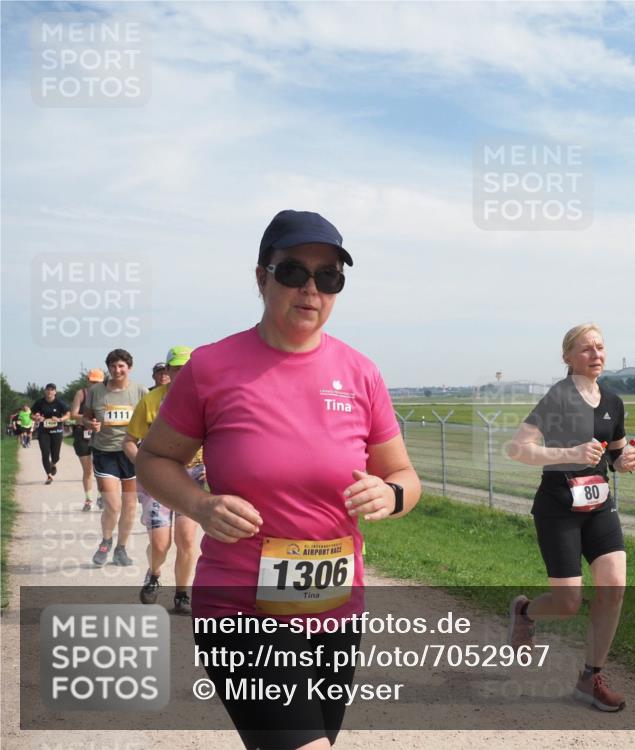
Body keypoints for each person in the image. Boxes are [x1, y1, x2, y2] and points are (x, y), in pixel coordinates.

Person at [136, 209, 421, 750]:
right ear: (261, 277)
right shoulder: (212, 368)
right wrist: (199, 506)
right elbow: (153, 460)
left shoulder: (361, 373)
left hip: (336, 612)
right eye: (293, 271)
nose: (311, 289)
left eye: (329, 277)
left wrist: (391, 493)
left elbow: (405, 476)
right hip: (241, 611)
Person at [505, 323, 635, 712]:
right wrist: (568, 454)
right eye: (586, 349)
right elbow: (518, 448)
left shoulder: (613, 401)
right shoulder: (558, 398)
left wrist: (627, 460)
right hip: (558, 509)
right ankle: (524, 612)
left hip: (599, 506)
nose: (596, 354)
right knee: (568, 603)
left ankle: (590, 678)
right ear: (567, 357)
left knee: (614, 586)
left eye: (600, 347)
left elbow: (614, 455)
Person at [124, 346, 202, 614]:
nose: (182, 373)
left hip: (192, 476)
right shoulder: (151, 401)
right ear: (167, 371)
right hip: (158, 477)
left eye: (187, 368)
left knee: (187, 539)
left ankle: (182, 594)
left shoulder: (204, 398)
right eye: (176, 368)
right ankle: (154, 573)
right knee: (160, 543)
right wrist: (145, 465)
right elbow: (129, 441)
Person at [82, 349, 148, 567]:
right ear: (108, 368)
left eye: (121, 366)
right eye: (112, 366)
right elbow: (86, 417)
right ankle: (106, 541)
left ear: (129, 367)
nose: (117, 370)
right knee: (113, 505)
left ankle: (121, 549)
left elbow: (151, 420)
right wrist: (90, 424)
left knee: (130, 506)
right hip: (104, 452)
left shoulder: (140, 391)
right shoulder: (96, 391)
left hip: (131, 452)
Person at [70, 369, 105, 511]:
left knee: (101, 469)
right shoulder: (81, 394)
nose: (94, 384)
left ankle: (101, 496)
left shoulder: (106, 394)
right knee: (88, 470)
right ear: (88, 381)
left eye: (98, 382)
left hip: (100, 434)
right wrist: (88, 418)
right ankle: (88, 500)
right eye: (92, 381)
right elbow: (73, 414)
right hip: (82, 433)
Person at [31, 384, 71, 485]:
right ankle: (49, 475)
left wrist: (60, 419)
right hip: (43, 431)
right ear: (45, 391)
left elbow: (68, 414)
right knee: (45, 453)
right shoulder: (39, 402)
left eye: (52, 390)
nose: (49, 391)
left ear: (55, 392)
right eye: (48, 389)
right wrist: (37, 418)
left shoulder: (60, 403)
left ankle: (53, 464)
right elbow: (31, 415)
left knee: (55, 455)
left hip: (56, 431)